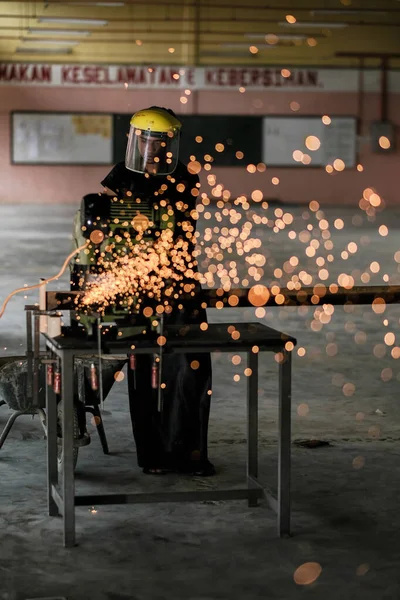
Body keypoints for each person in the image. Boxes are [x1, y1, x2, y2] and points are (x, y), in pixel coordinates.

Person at [99, 106, 215, 476]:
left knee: (190, 365)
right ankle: (151, 454)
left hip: (180, 277)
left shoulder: (185, 177)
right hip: (136, 284)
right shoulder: (120, 176)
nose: (152, 147)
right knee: (144, 366)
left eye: (160, 141)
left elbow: (182, 230)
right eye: (147, 140)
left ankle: (189, 452)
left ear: (171, 143)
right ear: (135, 140)